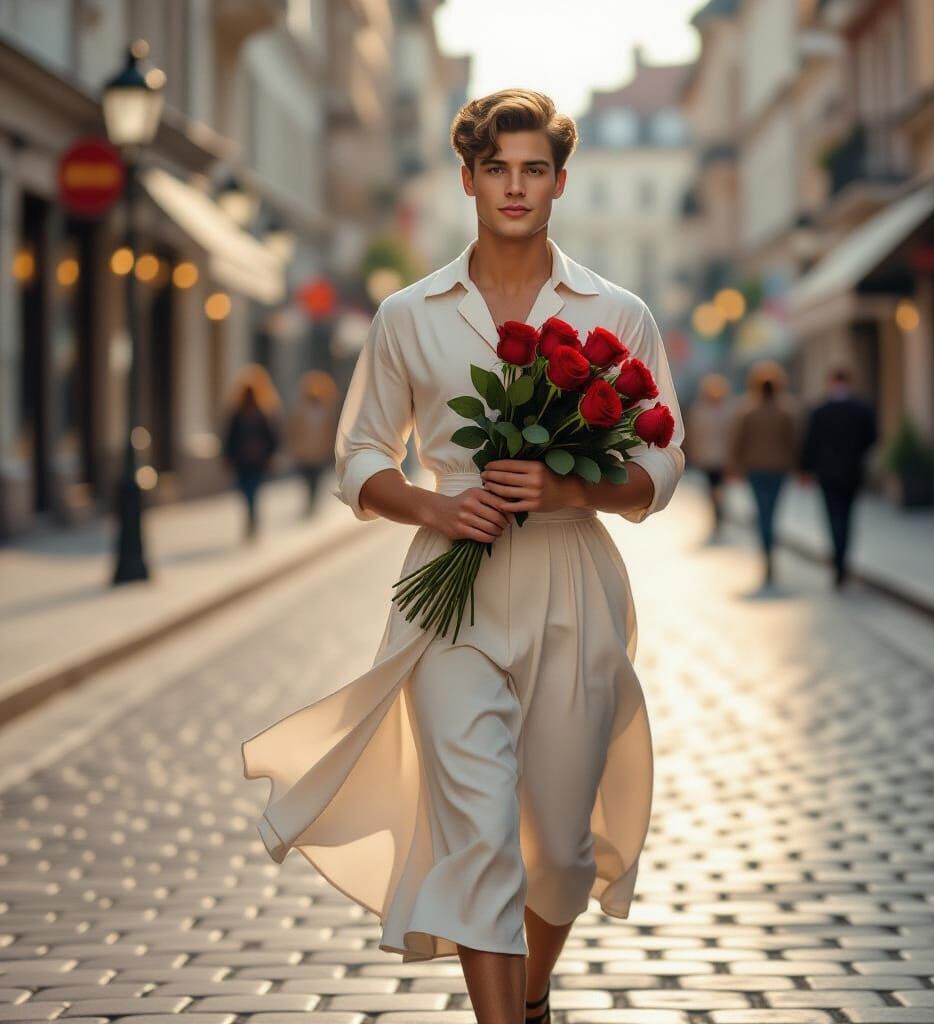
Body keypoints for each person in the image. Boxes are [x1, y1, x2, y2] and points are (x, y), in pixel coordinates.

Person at [240, 88, 686, 1024]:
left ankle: (529, 997)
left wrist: (571, 489)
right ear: (468, 179)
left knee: (558, 850)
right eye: (497, 170)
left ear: (560, 182)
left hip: (574, 585)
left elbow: (662, 457)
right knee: (478, 838)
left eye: (533, 171)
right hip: (450, 603)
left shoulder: (617, 311)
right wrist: (437, 506)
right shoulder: (410, 312)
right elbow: (359, 453)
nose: (514, 188)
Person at [799, 365, 877, 588]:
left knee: (833, 516)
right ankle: (842, 559)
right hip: (851, 471)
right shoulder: (861, 409)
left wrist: (805, 469)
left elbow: (809, 444)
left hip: (827, 473)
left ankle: (838, 558)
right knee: (847, 516)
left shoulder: (820, 411)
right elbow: (871, 438)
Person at [727, 361, 799, 588]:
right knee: (772, 512)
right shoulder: (786, 410)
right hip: (778, 468)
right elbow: (794, 441)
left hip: (756, 468)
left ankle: (766, 551)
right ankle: (770, 550)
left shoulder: (748, 411)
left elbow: (738, 440)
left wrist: (735, 466)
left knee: (762, 512)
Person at [222, 365, 282, 541]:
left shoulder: (262, 414)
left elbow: (272, 437)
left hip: (257, 461)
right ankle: (251, 518)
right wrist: (228, 456)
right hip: (242, 461)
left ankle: (252, 519)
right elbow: (229, 437)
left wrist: (270, 455)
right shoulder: (237, 414)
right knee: (246, 491)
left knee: (252, 491)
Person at [287, 370, 340, 518]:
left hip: (319, 453)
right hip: (304, 453)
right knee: (306, 478)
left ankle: (312, 502)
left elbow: (330, 433)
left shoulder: (327, 412)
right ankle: (309, 501)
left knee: (316, 479)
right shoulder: (300, 410)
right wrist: (293, 448)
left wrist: (331, 449)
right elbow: (293, 431)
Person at [686, 373, 733, 536]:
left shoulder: (727, 409)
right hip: (707, 458)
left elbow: (732, 434)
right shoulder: (699, 409)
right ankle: (717, 515)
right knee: (712, 489)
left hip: (723, 457)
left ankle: (719, 515)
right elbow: (694, 435)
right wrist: (694, 454)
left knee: (718, 489)